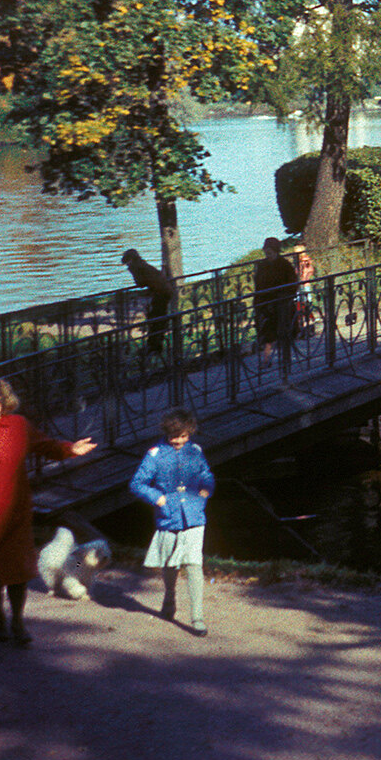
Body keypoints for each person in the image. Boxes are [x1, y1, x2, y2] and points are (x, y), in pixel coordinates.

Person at [0, 380, 96, 646]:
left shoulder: (17, 426)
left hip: (14, 510)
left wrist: (70, 449)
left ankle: (17, 619)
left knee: (16, 568)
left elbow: (46, 445)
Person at [129, 409, 215, 636]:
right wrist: (157, 497)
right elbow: (137, 483)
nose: (179, 441)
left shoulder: (195, 451)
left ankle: (197, 617)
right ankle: (169, 598)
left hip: (195, 515)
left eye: (184, 436)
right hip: (169, 515)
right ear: (167, 434)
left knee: (194, 563)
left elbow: (206, 473)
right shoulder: (155, 455)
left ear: (190, 433)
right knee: (169, 562)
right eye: (174, 437)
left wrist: (207, 488)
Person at [252, 236, 299, 366]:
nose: (268, 255)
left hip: (281, 303)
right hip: (266, 303)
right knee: (267, 333)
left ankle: (285, 359)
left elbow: (292, 284)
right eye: (266, 252)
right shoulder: (262, 266)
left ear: (276, 251)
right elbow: (258, 285)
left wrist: (285, 298)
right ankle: (266, 360)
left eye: (270, 252)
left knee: (283, 331)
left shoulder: (284, 265)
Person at [122, 249, 176, 356]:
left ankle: (153, 345)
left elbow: (140, 283)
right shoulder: (143, 264)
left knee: (156, 319)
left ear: (129, 260)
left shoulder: (137, 267)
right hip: (164, 290)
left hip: (161, 293)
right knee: (157, 318)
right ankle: (156, 344)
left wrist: (131, 271)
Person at [291, 245, 317, 339]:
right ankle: (303, 328)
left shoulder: (304, 261)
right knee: (299, 306)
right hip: (300, 286)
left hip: (304, 286)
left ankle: (308, 327)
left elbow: (307, 271)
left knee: (305, 305)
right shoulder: (298, 262)